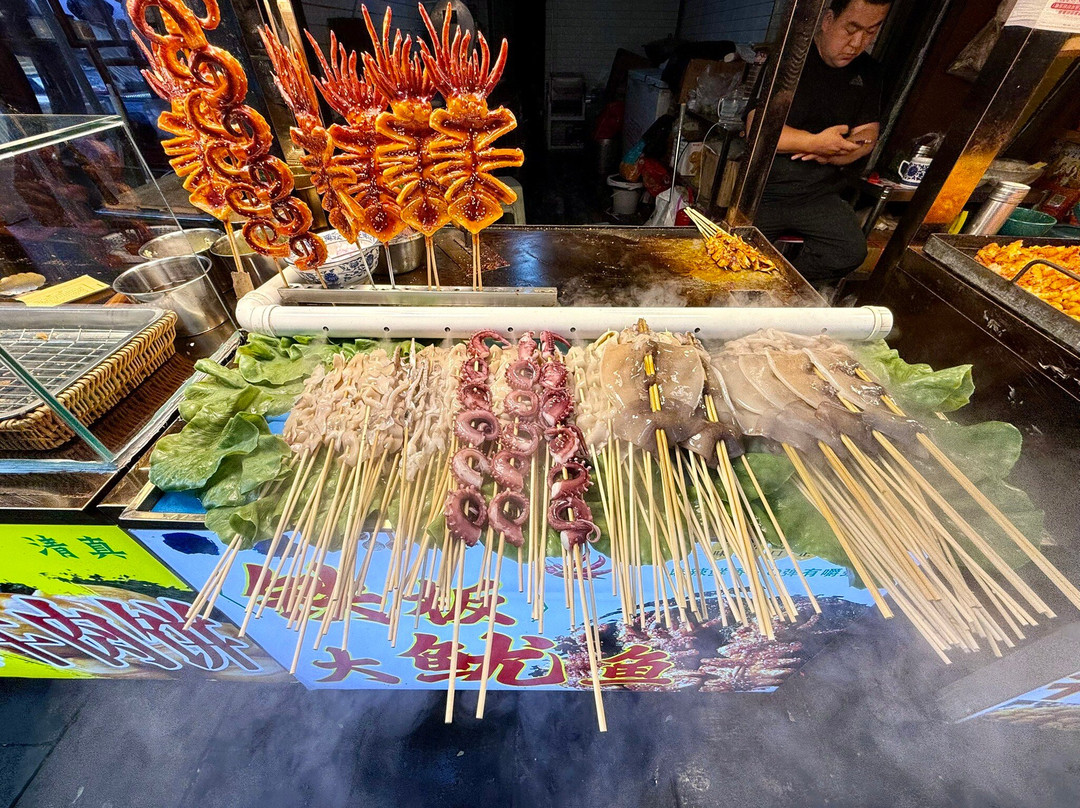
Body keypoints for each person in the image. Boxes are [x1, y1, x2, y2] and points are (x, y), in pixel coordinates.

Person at [750, 0, 890, 290]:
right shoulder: (790, 60)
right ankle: (756, 284)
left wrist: (838, 153)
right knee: (734, 252)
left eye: (870, 32)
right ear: (827, 20)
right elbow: (757, 128)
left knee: (850, 251)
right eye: (851, 29)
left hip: (819, 193)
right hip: (764, 190)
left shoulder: (869, 71)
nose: (857, 43)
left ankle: (781, 288)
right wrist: (815, 143)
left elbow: (868, 135)